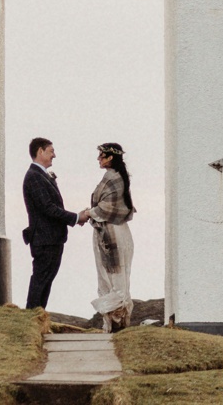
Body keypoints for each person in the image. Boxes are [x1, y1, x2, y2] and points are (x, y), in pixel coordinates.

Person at [81, 142, 136, 332]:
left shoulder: (115, 178)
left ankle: (117, 320)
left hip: (113, 232)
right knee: (108, 276)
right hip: (107, 231)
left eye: (101, 156)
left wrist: (87, 213)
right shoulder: (114, 177)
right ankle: (112, 322)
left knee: (116, 277)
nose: (98, 159)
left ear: (110, 157)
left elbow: (107, 207)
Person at [21, 136, 80, 311]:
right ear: (40, 151)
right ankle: (32, 315)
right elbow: (47, 207)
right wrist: (76, 217)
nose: (54, 155)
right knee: (41, 280)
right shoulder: (34, 176)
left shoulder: (40, 175)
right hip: (44, 239)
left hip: (51, 238)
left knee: (46, 281)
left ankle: (38, 315)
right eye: (51, 151)